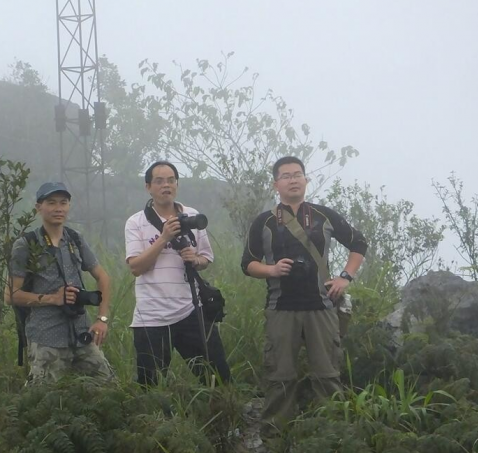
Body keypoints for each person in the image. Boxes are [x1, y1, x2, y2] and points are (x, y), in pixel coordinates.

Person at [241, 156, 368, 429]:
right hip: (280, 307)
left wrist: (345, 277)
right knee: (280, 378)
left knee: (327, 376)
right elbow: (248, 264)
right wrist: (272, 270)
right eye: (286, 175)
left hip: (321, 306)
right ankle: (275, 440)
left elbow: (358, 243)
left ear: (306, 180)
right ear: (276, 184)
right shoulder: (264, 222)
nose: (293, 179)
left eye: (298, 174)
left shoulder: (324, 215)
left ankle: (332, 437)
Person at [125, 160, 232, 386]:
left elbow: (206, 258)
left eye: (171, 180)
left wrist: (195, 259)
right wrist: (163, 238)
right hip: (151, 316)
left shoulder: (191, 216)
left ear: (177, 184)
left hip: (191, 309)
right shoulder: (136, 222)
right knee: (151, 386)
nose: (166, 186)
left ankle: (224, 417)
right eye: (159, 181)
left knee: (218, 379)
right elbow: (135, 267)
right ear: (148, 187)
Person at [6, 182, 112, 382]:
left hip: (81, 333)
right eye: (51, 203)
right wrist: (54, 299)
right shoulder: (26, 244)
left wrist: (102, 319)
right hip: (46, 337)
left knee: (107, 389)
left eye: (63, 203)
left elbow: (103, 277)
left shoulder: (74, 239)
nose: (58, 208)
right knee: (43, 401)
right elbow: (11, 295)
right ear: (39, 207)